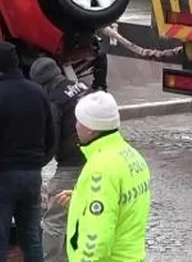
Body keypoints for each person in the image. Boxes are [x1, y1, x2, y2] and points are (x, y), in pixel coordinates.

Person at [0, 42, 57, 262]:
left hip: (2, 176)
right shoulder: (38, 93)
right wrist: (38, 161)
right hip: (32, 174)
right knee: (31, 236)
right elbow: (51, 135)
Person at [52, 91, 151, 262]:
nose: (76, 126)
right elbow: (120, 207)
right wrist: (82, 201)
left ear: (91, 129)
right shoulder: (132, 155)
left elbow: (96, 240)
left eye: (79, 122)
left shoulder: (100, 168)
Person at [29, 57, 91, 262]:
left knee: (55, 218)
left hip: (71, 165)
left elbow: (52, 138)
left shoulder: (54, 100)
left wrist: (36, 164)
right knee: (86, 214)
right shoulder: (81, 86)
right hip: (96, 161)